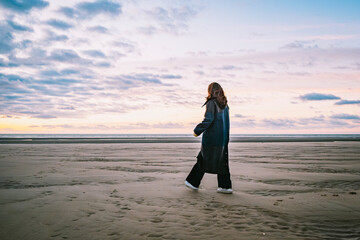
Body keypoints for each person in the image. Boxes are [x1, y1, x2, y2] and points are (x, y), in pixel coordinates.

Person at [185, 82, 232, 194]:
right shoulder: (225, 105)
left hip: (212, 139)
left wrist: (197, 131)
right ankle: (225, 187)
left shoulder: (212, 103)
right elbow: (227, 124)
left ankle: (193, 182)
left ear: (210, 91)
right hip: (223, 140)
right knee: (222, 162)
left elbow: (208, 120)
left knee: (203, 159)